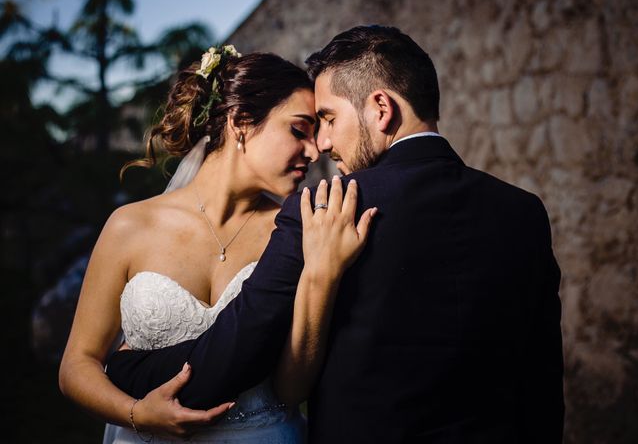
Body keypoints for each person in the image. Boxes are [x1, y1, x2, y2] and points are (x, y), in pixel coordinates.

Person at [105, 26, 564, 443]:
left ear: (381, 109)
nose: (322, 144)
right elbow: (544, 381)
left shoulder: (326, 208)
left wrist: (126, 366)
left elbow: (232, 356)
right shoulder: (524, 212)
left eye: (328, 119)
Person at [59, 47, 376, 442]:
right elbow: (77, 364)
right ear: (241, 122)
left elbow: (292, 389)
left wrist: (322, 276)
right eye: (299, 130)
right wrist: (137, 413)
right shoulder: (130, 226)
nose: (314, 152)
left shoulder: (298, 229)